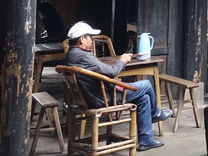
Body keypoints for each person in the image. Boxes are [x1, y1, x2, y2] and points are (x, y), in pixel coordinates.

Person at [64, 21, 171, 152]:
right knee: (146, 85)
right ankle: (155, 114)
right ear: (82, 39)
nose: (92, 41)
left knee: (144, 99)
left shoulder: (71, 55)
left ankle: (146, 141)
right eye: (90, 38)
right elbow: (111, 72)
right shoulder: (83, 56)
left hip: (91, 98)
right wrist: (122, 61)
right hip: (102, 99)